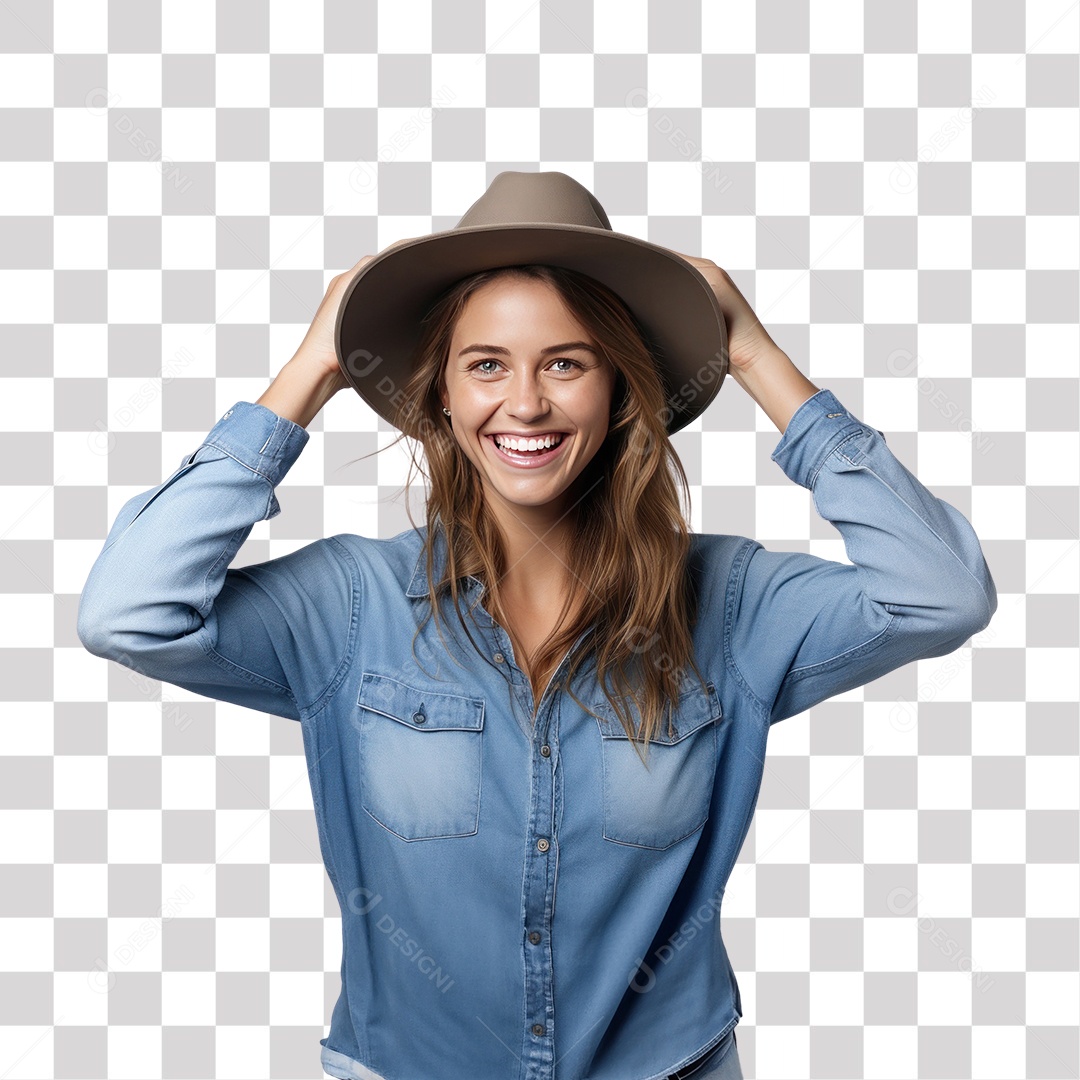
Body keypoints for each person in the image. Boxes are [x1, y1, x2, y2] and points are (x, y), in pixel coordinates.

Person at [78, 172, 997, 1080]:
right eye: (486, 365)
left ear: (620, 391)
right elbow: (129, 613)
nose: (525, 404)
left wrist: (752, 352)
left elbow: (942, 592)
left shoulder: (733, 603)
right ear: (442, 393)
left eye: (566, 361)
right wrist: (311, 368)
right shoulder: (346, 605)